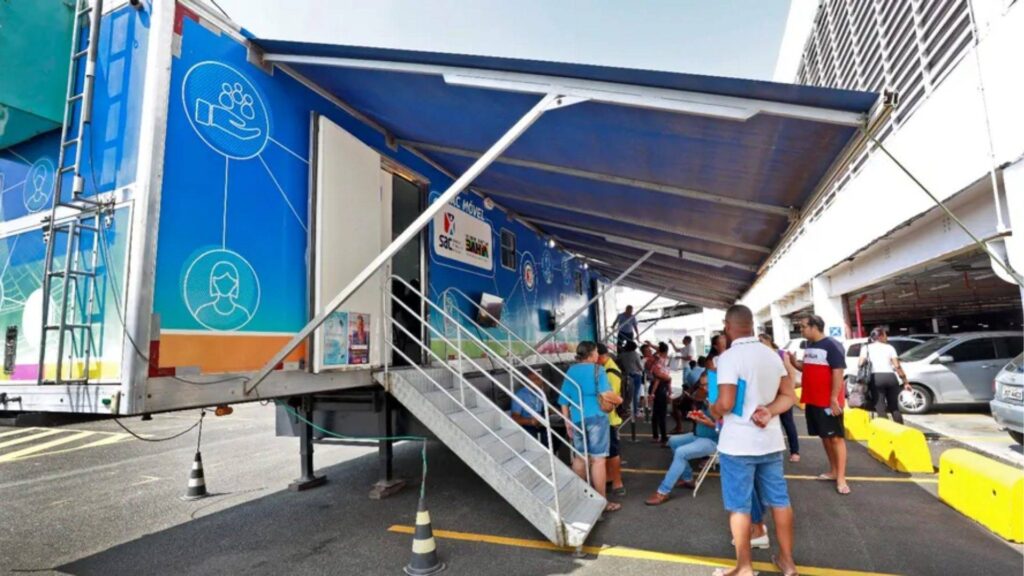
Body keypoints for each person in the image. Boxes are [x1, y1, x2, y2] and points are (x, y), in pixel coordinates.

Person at [711, 305, 798, 576]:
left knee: (739, 505)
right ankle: (787, 562)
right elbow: (789, 396)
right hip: (770, 440)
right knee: (780, 500)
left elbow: (726, 403)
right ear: (751, 325)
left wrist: (713, 408)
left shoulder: (728, 358)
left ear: (728, 326)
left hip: (737, 444)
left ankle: (744, 567)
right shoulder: (771, 354)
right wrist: (769, 411)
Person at [559, 341, 621, 512]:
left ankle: (579, 496)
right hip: (597, 419)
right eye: (596, 352)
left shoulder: (571, 371)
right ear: (592, 354)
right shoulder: (598, 370)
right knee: (598, 460)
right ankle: (602, 502)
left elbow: (563, 400)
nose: (597, 355)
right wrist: (619, 399)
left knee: (580, 458)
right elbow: (606, 394)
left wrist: (567, 422)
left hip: (577, 419)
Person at [792, 313, 850, 495]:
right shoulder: (809, 346)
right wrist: (794, 363)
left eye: (803, 327)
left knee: (836, 438)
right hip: (813, 399)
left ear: (814, 327)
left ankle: (841, 478)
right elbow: (808, 368)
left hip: (828, 402)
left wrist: (834, 399)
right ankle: (833, 471)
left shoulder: (832, 345)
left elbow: (838, 372)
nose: (801, 330)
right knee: (825, 436)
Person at [645, 369, 717, 504]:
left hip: (712, 440)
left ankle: (663, 491)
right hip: (699, 435)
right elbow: (707, 418)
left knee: (681, 452)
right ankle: (687, 478)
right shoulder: (708, 396)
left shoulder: (722, 400)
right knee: (673, 441)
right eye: (702, 385)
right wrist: (698, 416)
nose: (704, 388)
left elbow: (725, 428)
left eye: (707, 384)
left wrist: (707, 422)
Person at [758, 334, 801, 463]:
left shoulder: (781, 354)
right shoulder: (760, 355)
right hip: (769, 393)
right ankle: (768, 450)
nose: (759, 343)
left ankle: (795, 451)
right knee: (768, 421)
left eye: (761, 341)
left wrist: (790, 391)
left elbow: (791, 372)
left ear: (768, 341)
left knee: (788, 422)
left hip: (783, 392)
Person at [859, 327, 911, 424]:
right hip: (890, 377)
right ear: (880, 336)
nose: (887, 337)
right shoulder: (890, 348)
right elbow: (897, 366)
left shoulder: (866, 348)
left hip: (876, 378)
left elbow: (860, 363)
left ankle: (885, 429)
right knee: (894, 407)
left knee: (880, 406)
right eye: (885, 335)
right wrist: (905, 382)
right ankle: (900, 429)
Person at [597, 343, 626, 496]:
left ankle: (617, 482)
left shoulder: (610, 373)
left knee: (613, 452)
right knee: (608, 452)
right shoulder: (605, 368)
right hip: (606, 418)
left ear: (600, 356)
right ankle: (609, 477)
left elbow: (611, 398)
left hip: (610, 419)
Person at [510, 372, 549, 445]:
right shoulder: (521, 395)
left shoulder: (540, 393)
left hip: (539, 424)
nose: (539, 381)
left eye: (539, 379)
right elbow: (514, 418)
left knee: (558, 430)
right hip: (527, 426)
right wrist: (531, 421)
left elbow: (544, 408)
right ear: (528, 381)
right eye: (534, 379)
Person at [648, 342, 672, 445]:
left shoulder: (657, 361)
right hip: (661, 388)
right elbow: (662, 378)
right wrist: (669, 390)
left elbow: (658, 378)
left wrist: (652, 393)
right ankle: (663, 437)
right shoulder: (664, 361)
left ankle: (657, 436)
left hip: (658, 388)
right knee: (661, 414)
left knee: (657, 414)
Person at [618, 341, 645, 420]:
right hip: (636, 375)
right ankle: (635, 412)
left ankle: (625, 410)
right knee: (635, 395)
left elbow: (618, 363)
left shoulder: (622, 355)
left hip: (626, 376)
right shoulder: (635, 354)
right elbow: (641, 367)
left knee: (625, 394)